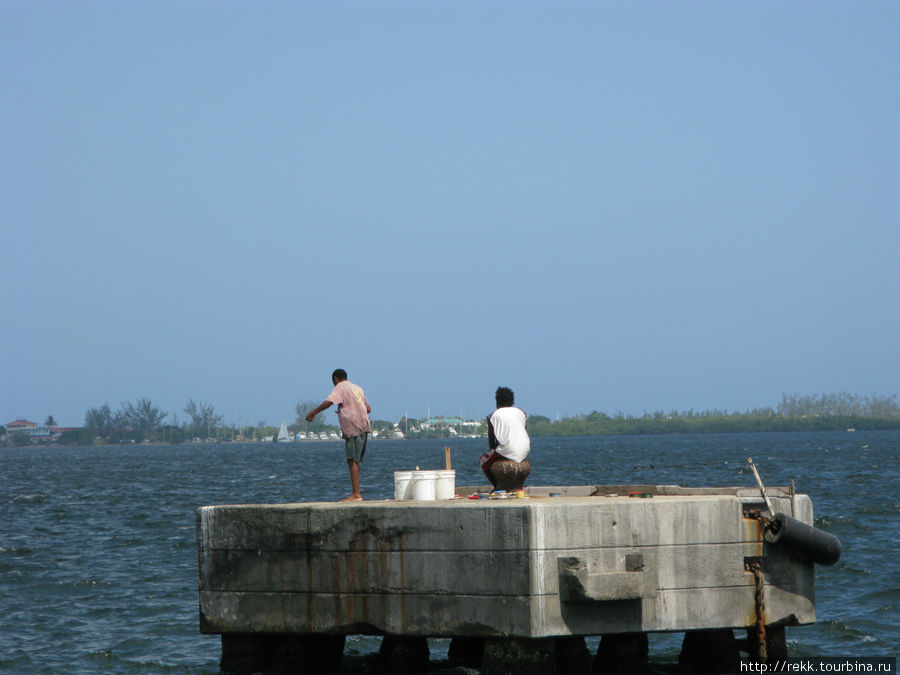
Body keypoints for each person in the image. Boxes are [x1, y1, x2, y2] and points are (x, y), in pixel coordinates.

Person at [306, 369, 371, 502]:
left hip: (354, 428)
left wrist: (313, 412)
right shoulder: (357, 388)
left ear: (336, 379)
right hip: (364, 426)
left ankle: (356, 494)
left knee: (351, 459)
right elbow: (368, 408)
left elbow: (329, 401)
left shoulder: (340, 387)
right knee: (354, 460)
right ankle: (356, 493)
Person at [480, 386, 531, 491]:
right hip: (525, 448)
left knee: (483, 461)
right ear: (512, 401)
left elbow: (492, 441)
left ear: (497, 401)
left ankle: (497, 486)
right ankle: (517, 487)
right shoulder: (522, 413)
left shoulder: (492, 416)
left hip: (507, 449)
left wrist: (495, 452)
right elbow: (524, 430)